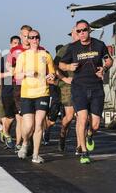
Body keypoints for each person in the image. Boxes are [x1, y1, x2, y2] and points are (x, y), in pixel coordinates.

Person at [59, 20, 113, 164]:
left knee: (95, 125)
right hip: (79, 88)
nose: (81, 33)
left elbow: (108, 60)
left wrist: (104, 69)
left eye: (84, 30)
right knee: (82, 119)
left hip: (96, 88)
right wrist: (69, 67)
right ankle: (83, 151)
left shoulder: (99, 45)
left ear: (89, 30)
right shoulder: (72, 48)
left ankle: (89, 135)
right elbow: (61, 64)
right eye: (79, 31)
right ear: (76, 32)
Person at [15, 30, 55, 164]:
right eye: (32, 38)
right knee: (28, 126)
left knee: (39, 125)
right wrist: (27, 73)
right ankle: (25, 142)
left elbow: (52, 73)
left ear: (40, 39)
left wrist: (51, 76)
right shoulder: (23, 56)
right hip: (27, 94)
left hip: (43, 93)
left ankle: (36, 155)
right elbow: (17, 76)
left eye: (37, 37)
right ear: (28, 40)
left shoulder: (46, 55)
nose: (34, 40)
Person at [7, 25, 45, 153]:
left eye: (32, 36)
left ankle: (32, 147)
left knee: (37, 122)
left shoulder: (42, 51)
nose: (27, 38)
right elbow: (9, 67)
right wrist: (20, 72)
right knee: (21, 118)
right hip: (20, 86)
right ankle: (21, 143)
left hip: (40, 90)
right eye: (25, 36)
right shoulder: (16, 50)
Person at [54, 28, 80, 154]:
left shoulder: (88, 48)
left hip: (83, 85)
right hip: (68, 86)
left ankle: (80, 146)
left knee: (82, 117)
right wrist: (64, 78)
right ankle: (62, 136)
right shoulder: (65, 48)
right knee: (69, 117)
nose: (80, 35)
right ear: (72, 35)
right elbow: (54, 66)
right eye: (77, 32)